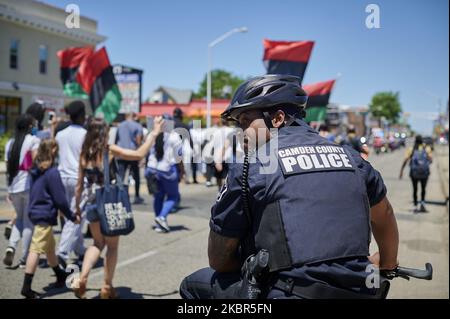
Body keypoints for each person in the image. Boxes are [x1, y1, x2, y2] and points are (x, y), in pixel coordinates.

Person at [180, 75, 399, 299]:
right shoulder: (353, 159)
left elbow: (219, 259)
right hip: (359, 290)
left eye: (246, 122)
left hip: (290, 293)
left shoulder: (250, 167)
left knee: (192, 285)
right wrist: (387, 263)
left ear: (277, 119)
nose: (241, 134)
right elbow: (385, 214)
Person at [71, 116, 164, 299]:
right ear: (104, 133)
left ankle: (82, 278)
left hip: (91, 203)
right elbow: (138, 155)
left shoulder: (84, 153)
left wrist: (77, 208)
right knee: (112, 246)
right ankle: (107, 286)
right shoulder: (108, 150)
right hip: (109, 203)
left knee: (97, 243)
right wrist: (153, 134)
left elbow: (79, 185)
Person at [20, 139, 81, 299]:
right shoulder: (52, 172)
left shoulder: (35, 168)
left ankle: (60, 275)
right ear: (53, 151)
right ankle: (26, 287)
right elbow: (60, 199)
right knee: (36, 249)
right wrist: (71, 216)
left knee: (49, 248)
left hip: (35, 210)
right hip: (45, 213)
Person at [3, 114, 40, 268]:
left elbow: (7, 168)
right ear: (29, 127)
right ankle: (24, 258)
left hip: (14, 186)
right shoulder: (33, 141)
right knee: (28, 223)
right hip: (28, 185)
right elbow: (36, 163)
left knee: (19, 219)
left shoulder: (10, 143)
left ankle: (11, 245)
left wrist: (8, 189)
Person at [55, 101, 87, 268]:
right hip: (78, 178)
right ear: (82, 115)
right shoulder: (84, 134)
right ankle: (62, 252)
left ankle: (81, 251)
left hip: (62, 177)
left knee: (72, 215)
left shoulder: (60, 134)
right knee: (75, 217)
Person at [145, 117, 183, 233]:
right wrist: (182, 171)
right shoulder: (174, 136)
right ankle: (161, 217)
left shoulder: (151, 135)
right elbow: (179, 157)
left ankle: (159, 223)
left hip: (151, 169)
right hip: (167, 170)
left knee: (158, 196)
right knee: (173, 196)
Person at [115, 112, 145, 205]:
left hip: (121, 152)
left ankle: (118, 195)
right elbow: (138, 140)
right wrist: (140, 154)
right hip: (132, 153)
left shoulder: (120, 126)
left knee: (121, 175)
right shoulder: (137, 126)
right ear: (133, 116)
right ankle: (136, 196)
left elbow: (116, 140)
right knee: (136, 175)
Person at [399, 135, 432, 212]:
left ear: (415, 141)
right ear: (422, 141)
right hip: (424, 172)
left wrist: (401, 171)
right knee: (423, 188)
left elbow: (405, 160)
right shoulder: (427, 149)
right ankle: (422, 203)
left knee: (415, 189)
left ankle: (415, 205)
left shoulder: (411, 149)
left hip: (414, 172)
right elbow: (431, 160)